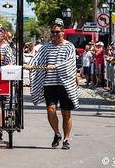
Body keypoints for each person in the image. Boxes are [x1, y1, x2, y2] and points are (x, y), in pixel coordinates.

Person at [25, 18, 79, 150]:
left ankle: (66, 139)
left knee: (66, 113)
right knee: (51, 110)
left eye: (57, 32)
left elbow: (70, 63)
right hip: (50, 84)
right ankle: (57, 133)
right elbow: (37, 59)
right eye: (53, 32)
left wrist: (56, 66)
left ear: (63, 32)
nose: (54, 35)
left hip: (65, 84)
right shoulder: (46, 47)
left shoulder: (69, 46)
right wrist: (30, 65)